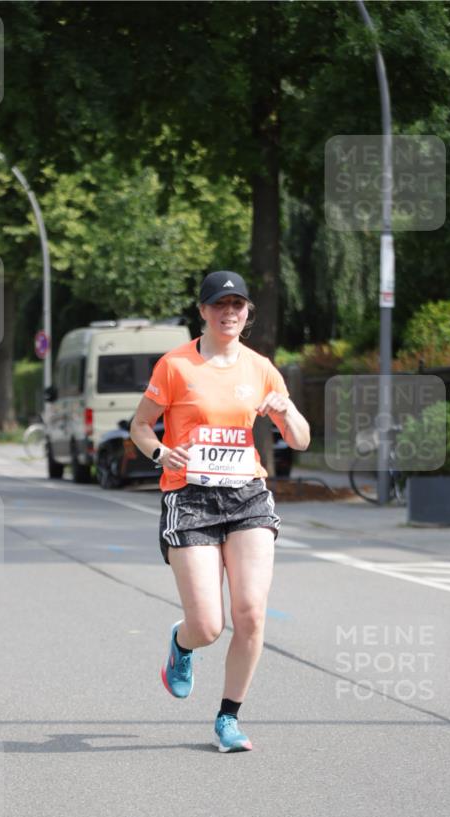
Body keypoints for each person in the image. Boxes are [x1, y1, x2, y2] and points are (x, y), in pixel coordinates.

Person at [130, 271, 310, 752]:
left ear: (248, 312)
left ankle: (228, 718)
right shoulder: (175, 365)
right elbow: (141, 426)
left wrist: (286, 411)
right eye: (219, 305)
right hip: (189, 497)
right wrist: (160, 452)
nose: (229, 312)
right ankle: (183, 643)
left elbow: (301, 439)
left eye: (238, 305)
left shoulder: (261, 368)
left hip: (247, 494)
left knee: (250, 614)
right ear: (203, 311)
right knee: (209, 624)